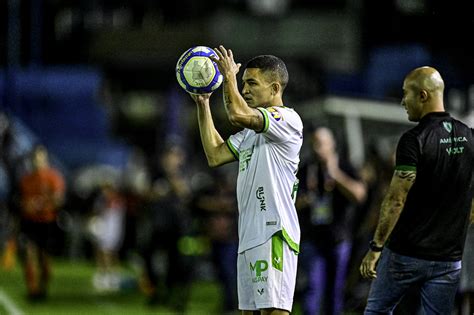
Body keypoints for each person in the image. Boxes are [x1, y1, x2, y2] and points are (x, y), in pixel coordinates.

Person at [189, 45, 303, 315]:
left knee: (273, 311)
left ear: (275, 88)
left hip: (273, 232)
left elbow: (237, 114)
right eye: (243, 83)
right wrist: (203, 105)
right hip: (250, 235)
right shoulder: (252, 134)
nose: (246, 90)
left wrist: (228, 77)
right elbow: (215, 155)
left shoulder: (287, 119)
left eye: (252, 83)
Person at [359, 66, 474, 314]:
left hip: (405, 254)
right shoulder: (469, 136)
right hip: (448, 259)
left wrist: (376, 247)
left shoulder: (414, 139)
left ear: (422, 95)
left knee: (376, 311)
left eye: (406, 94)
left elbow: (396, 199)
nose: (403, 102)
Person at [295, 126, 366, 315]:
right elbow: (290, 202)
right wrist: (304, 199)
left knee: (335, 289)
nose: (318, 148)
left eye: (322, 143)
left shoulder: (344, 165)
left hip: (339, 239)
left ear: (332, 144)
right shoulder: (306, 169)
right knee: (312, 286)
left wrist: (336, 176)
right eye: (315, 143)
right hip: (312, 238)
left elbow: (359, 194)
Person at [17, 145, 66, 300]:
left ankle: (42, 289)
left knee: (44, 259)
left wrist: (42, 204)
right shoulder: (26, 180)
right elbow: (20, 201)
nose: (37, 161)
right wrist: (26, 206)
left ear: (45, 159)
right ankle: (32, 290)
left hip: (47, 222)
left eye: (40, 157)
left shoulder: (53, 177)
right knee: (29, 254)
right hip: (30, 222)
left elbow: (59, 199)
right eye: (35, 158)